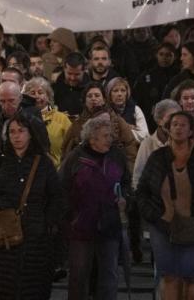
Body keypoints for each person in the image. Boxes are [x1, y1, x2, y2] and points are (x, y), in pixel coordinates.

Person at [0, 112, 66, 300]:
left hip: (36, 239)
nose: (16, 136)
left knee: (32, 289)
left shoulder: (43, 163)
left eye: (21, 131)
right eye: (12, 132)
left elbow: (56, 196)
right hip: (4, 236)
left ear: (30, 133)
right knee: (4, 288)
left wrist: (46, 222)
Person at [135, 111, 194, 300]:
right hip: (163, 227)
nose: (178, 128)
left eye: (183, 124)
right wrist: (151, 214)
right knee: (170, 276)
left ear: (191, 129)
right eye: (174, 124)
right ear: (168, 129)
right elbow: (142, 190)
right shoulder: (158, 157)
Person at [60, 114, 131, 300]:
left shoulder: (117, 155)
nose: (110, 138)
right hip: (81, 226)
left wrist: (125, 198)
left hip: (110, 224)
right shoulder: (75, 158)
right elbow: (62, 188)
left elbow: (126, 183)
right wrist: (70, 216)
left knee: (109, 275)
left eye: (110, 135)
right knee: (79, 275)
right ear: (92, 138)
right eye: (106, 135)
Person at [23, 77, 72, 167]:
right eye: (32, 93)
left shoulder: (62, 118)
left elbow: (72, 147)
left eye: (40, 92)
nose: (36, 96)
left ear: (48, 96)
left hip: (56, 170)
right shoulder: (21, 118)